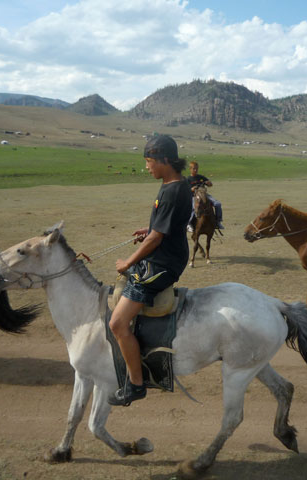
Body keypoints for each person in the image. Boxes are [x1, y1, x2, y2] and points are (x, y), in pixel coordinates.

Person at [108, 135, 192, 406]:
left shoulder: (172, 190)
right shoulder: (175, 184)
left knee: (117, 324)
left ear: (165, 160)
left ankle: (135, 384)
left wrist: (129, 262)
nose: (147, 167)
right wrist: (150, 229)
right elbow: (165, 227)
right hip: (167, 254)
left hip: (163, 264)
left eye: (149, 162)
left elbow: (157, 239)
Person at [186, 161, 224, 231]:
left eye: (197, 168)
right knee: (194, 208)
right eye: (194, 169)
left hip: (204, 194)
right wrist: (192, 189)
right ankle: (189, 224)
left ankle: (218, 221)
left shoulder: (201, 177)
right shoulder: (188, 179)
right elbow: (185, 190)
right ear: (190, 169)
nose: (195, 170)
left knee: (218, 204)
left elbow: (210, 185)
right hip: (194, 196)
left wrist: (208, 183)